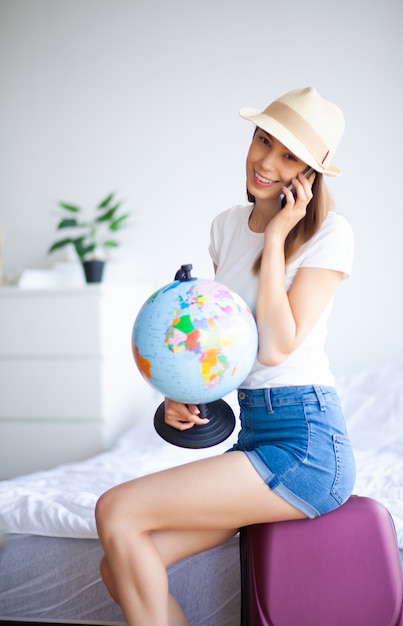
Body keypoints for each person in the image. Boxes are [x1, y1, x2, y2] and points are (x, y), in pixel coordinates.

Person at [95, 86, 356, 626]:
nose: (266, 162)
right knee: (117, 566)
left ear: (312, 173)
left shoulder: (330, 233)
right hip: (254, 432)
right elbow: (228, 340)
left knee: (116, 510)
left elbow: (279, 344)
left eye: (289, 156)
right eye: (263, 140)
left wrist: (279, 236)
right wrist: (183, 395)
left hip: (307, 444)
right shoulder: (226, 226)